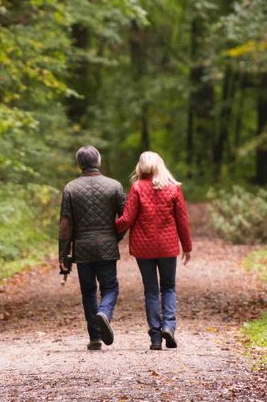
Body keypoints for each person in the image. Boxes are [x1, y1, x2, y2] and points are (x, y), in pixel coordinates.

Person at [115, 151, 192, 351]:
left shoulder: (137, 187)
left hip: (143, 248)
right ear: (160, 165)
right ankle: (169, 326)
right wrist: (187, 247)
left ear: (140, 166)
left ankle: (156, 338)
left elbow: (127, 219)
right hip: (167, 247)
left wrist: (107, 227)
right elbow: (182, 220)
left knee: (151, 291)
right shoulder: (173, 187)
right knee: (168, 288)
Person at [58, 145, 127, 350]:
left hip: (83, 249)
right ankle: (104, 312)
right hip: (107, 246)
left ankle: (95, 338)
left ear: (79, 164)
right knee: (110, 287)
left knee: (88, 291)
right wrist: (115, 237)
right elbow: (125, 218)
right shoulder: (114, 186)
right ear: (98, 161)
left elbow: (65, 225)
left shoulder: (70, 188)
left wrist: (63, 255)